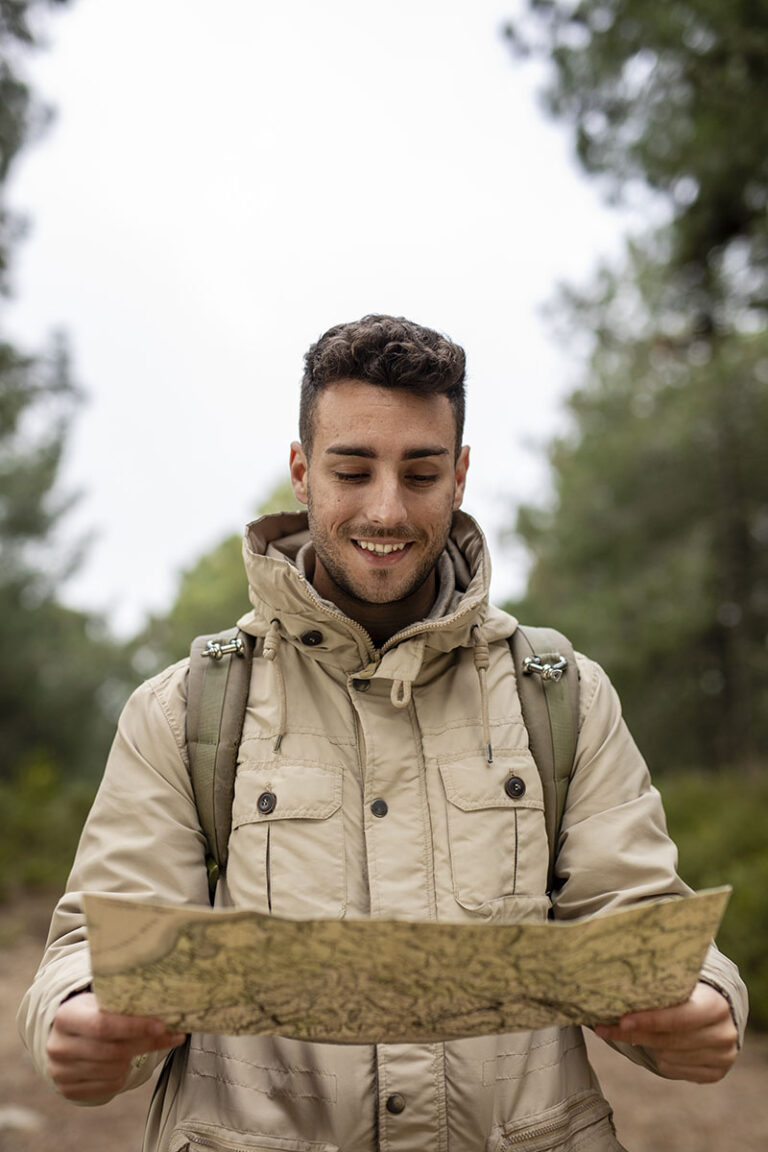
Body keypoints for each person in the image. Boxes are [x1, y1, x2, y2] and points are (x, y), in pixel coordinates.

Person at [19, 315, 747, 1151]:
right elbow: (94, 941)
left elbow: (640, 919)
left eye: (422, 471)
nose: (387, 507)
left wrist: (705, 1001)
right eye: (354, 469)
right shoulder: (185, 709)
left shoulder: (563, 696)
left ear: (462, 475)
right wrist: (77, 1012)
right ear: (302, 472)